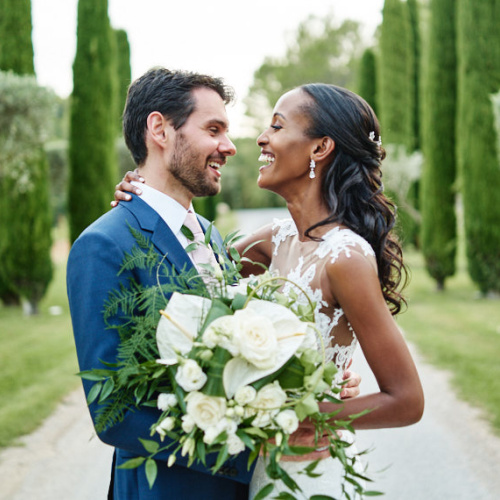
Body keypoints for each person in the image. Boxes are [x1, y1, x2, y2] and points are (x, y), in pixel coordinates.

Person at [115, 82, 424, 498]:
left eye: (276, 127)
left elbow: (406, 400)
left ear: (319, 149)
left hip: (309, 475)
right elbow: (182, 270)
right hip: (258, 470)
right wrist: (142, 199)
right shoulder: (273, 240)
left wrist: (308, 411)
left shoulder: (345, 257)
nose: (260, 138)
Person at [67, 67, 252, 500]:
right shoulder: (103, 245)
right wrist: (249, 454)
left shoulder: (211, 235)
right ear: (159, 129)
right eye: (213, 129)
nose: (229, 146)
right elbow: (114, 413)